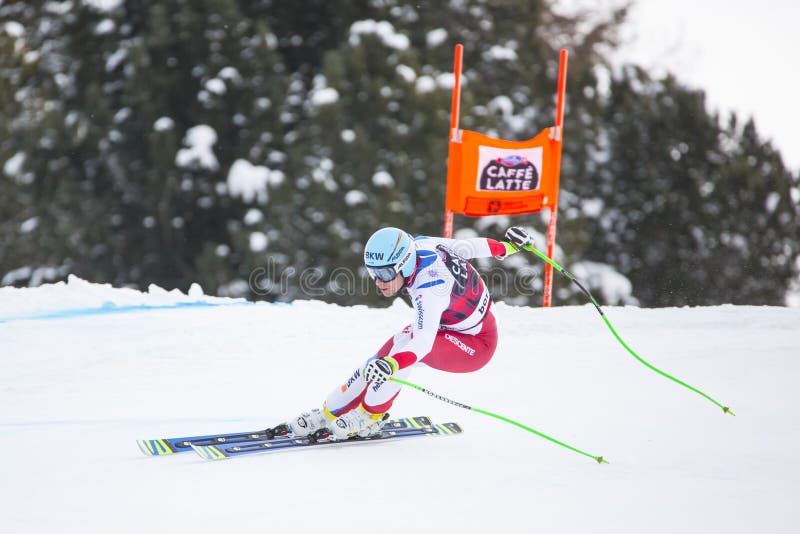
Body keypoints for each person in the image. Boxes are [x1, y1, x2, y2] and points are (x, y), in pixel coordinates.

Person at [288, 225, 534, 440]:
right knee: (383, 356)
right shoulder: (420, 245)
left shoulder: (430, 288)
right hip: (449, 327)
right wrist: (507, 247)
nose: (378, 281)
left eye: (384, 273)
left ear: (403, 265)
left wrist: (394, 365)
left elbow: (423, 343)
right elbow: (466, 247)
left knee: (400, 356)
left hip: (475, 344)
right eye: (373, 272)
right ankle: (329, 412)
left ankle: (369, 416)